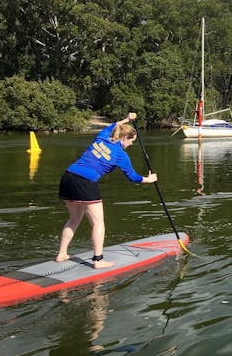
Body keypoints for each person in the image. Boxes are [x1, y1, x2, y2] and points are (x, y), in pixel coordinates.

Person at [56, 112, 157, 269]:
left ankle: (62, 254)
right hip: (86, 182)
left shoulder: (103, 136)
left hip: (68, 176)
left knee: (74, 219)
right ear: (124, 138)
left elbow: (115, 124)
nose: (131, 145)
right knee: (98, 223)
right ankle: (98, 260)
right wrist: (148, 180)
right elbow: (132, 177)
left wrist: (128, 119)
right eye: (132, 141)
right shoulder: (121, 156)